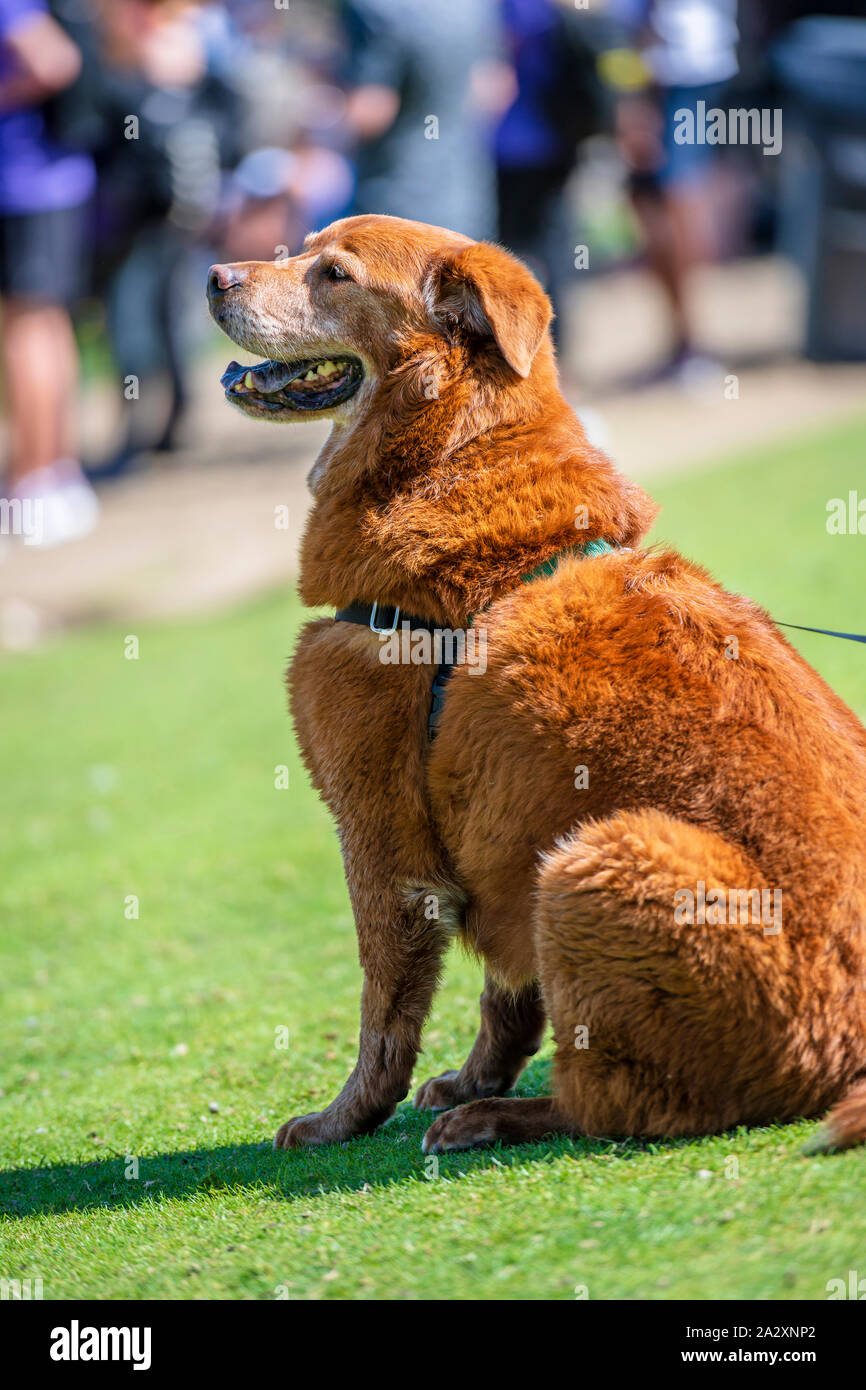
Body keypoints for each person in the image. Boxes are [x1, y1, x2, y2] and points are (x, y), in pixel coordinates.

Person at [0, 0, 98, 546]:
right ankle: (54, 476)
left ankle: (31, 485)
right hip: (51, 181)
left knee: (26, 330)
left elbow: (52, 61)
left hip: (22, 184)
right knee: (45, 326)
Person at [341, 0, 511, 242]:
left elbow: (370, 113)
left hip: (393, 208)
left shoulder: (377, 8)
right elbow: (497, 91)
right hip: (466, 202)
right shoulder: (476, 6)